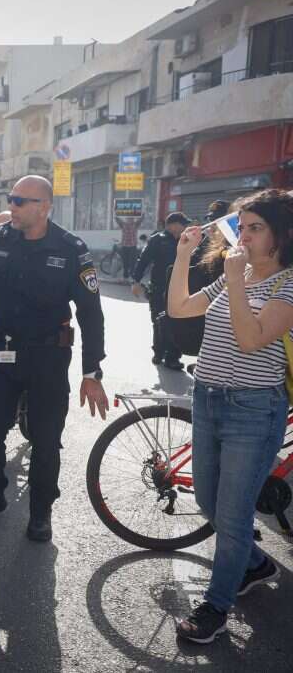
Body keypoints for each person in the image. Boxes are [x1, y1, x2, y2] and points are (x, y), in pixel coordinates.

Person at [0, 175, 108, 542]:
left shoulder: (71, 249)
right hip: (1, 352)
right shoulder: (2, 238)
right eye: (10, 199)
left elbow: (91, 313)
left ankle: (41, 511)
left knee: (46, 439)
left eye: (19, 201)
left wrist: (92, 372)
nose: (10, 206)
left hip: (47, 356)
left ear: (43, 207)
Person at [166, 189, 293, 644]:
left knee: (233, 516)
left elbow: (250, 339)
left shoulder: (288, 284)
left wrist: (237, 282)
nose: (245, 235)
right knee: (207, 501)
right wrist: (183, 257)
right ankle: (256, 564)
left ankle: (216, 609)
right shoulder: (229, 277)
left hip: (253, 409)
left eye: (256, 228)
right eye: (243, 227)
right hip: (208, 398)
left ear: (281, 235)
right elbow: (179, 308)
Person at [131, 212, 190, 370]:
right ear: (173, 225)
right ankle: (159, 352)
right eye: (182, 224)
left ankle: (173, 357)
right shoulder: (157, 240)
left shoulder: (187, 240)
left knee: (176, 322)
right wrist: (135, 281)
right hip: (158, 288)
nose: (185, 227)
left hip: (179, 290)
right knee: (158, 321)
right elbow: (143, 260)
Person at [115, 213, 142, 279]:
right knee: (125, 262)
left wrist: (142, 214)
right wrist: (116, 215)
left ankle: (132, 277)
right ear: (127, 219)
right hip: (124, 246)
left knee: (132, 263)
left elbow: (140, 220)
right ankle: (125, 276)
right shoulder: (123, 225)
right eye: (129, 218)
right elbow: (117, 220)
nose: (130, 220)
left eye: (131, 218)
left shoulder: (135, 224)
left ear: (133, 219)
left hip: (133, 246)